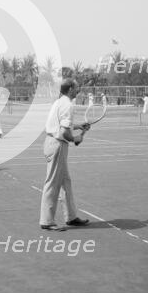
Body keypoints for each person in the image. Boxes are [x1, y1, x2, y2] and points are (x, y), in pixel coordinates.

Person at [40, 79, 90, 230]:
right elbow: (63, 132)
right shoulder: (67, 104)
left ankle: (71, 217)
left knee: (65, 182)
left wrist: (78, 126)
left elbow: (62, 124)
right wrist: (76, 138)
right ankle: (46, 221)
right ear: (70, 90)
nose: (78, 91)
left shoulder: (59, 102)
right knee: (53, 183)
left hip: (51, 143)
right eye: (76, 88)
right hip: (57, 145)